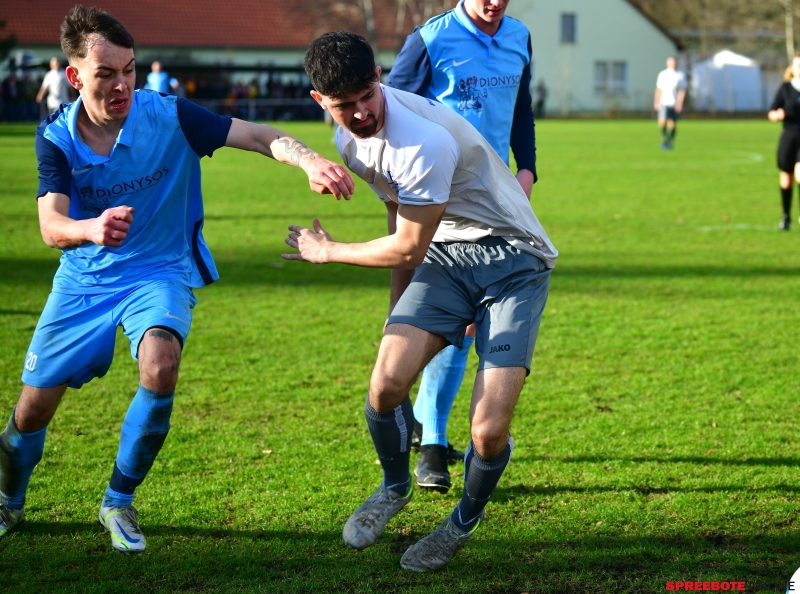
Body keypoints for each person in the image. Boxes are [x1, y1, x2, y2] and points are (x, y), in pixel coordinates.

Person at [0, 5, 353, 553]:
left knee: (161, 365)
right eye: (106, 74)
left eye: (130, 70)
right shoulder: (56, 138)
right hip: (86, 280)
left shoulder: (169, 115)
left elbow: (260, 136)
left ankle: (118, 502)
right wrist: (91, 228)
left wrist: (307, 160)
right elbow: (51, 226)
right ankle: (9, 497)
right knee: (31, 413)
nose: (123, 85)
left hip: (158, 272)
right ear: (74, 77)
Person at [293, 31, 556, 572]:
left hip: (514, 261)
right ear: (322, 102)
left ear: (380, 78)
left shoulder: (422, 139)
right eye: (346, 106)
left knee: (486, 430)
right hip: (447, 259)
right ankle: (394, 488)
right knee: (386, 383)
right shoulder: (348, 142)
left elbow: (409, 243)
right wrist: (399, 313)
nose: (363, 112)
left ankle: (461, 521)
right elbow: (399, 213)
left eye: (369, 94)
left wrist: (327, 252)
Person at [386, 0, 537, 494]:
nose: (494, 2)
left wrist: (526, 169)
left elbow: (521, 110)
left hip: (496, 202)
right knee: (452, 321)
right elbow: (389, 112)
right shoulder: (429, 40)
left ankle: (431, 434)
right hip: (437, 199)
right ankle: (431, 442)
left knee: (470, 323)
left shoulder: (519, 37)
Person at [768, 55, 800, 231]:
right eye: (798, 66)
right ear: (792, 68)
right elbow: (771, 112)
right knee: (786, 180)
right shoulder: (785, 89)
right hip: (788, 137)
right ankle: (786, 216)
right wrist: (777, 114)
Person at [654, 56, 686, 150]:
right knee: (662, 121)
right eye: (671, 62)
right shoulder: (663, 74)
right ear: (667, 63)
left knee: (672, 123)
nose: (673, 64)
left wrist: (680, 103)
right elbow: (659, 89)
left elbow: (682, 90)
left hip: (674, 103)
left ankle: (670, 141)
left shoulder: (680, 75)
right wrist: (657, 101)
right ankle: (664, 139)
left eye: (674, 62)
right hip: (664, 102)